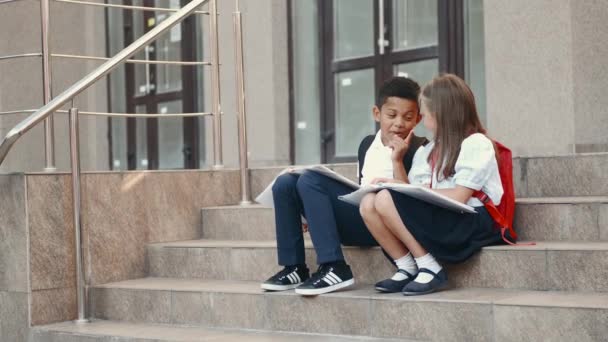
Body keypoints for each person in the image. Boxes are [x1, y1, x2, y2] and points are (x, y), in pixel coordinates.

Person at [261, 77, 427, 296]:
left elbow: (413, 202)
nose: (399, 123)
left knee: (312, 179)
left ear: (418, 119)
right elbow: (360, 188)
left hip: (385, 225)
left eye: (408, 117)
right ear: (377, 114)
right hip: (359, 217)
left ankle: (335, 267)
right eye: (391, 115)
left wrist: (398, 159)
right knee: (286, 183)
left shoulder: (420, 148)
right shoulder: (367, 144)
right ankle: (294, 268)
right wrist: (308, 214)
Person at [360, 74, 504, 295]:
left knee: (386, 197)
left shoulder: (476, 143)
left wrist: (404, 191)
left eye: (424, 113)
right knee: (369, 202)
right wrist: (397, 160)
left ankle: (429, 266)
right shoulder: (427, 151)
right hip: (445, 215)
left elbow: (459, 197)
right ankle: (408, 267)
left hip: (472, 220)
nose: (421, 119)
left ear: (439, 115)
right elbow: (408, 197)